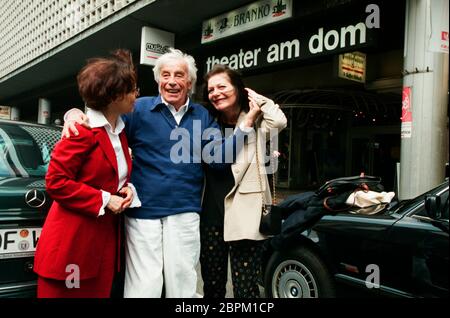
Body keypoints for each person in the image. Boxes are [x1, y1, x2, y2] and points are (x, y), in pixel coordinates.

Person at [62, 49, 258, 298]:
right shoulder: (137, 109)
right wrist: (72, 114)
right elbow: (103, 124)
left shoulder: (202, 115)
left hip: (185, 210)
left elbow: (219, 160)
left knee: (183, 284)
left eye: (179, 75)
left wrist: (246, 125)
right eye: (165, 75)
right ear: (158, 80)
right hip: (142, 212)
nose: (172, 81)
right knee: (145, 285)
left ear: (189, 82)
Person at [34, 49, 141, 298]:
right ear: (114, 95)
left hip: (102, 247)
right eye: (132, 89)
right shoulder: (81, 131)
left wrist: (126, 190)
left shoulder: (120, 132)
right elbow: (56, 182)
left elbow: (114, 176)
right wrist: (105, 199)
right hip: (72, 245)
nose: (137, 95)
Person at [200, 64, 287, 298]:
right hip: (211, 216)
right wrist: (245, 123)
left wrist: (255, 99)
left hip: (246, 214)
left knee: (245, 288)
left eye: (222, 87)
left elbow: (279, 122)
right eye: (211, 90)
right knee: (213, 285)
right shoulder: (208, 123)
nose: (215, 93)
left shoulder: (259, 123)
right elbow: (218, 160)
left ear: (238, 89)